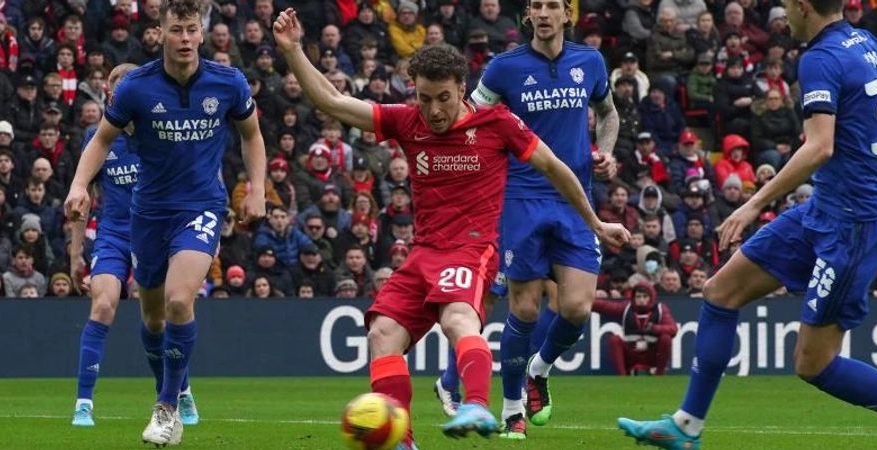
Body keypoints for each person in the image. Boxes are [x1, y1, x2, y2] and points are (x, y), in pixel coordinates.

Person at [273, 9, 629, 448]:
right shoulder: (407, 121)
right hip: (423, 252)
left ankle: (476, 403)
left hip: (472, 249)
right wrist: (292, 51)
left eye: (442, 97)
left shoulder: (497, 124)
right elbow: (332, 102)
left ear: (463, 89)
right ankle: (402, 440)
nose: (434, 110)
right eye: (424, 98)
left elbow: (554, 167)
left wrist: (594, 221)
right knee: (381, 334)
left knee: (458, 319)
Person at [619, 1, 877, 447]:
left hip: (854, 225)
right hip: (824, 209)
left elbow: (820, 146)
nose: (784, 12)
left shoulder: (821, 57)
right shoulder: (864, 41)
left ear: (804, 7)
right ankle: (686, 427)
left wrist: (754, 205)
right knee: (718, 293)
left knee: (813, 365)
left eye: (788, 4)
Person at [64, 1, 266, 445]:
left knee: (179, 300)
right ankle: (173, 388)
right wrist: (80, 184)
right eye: (177, 30)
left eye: (193, 29)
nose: (186, 38)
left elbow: (251, 134)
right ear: (161, 31)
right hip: (148, 213)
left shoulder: (228, 81)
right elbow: (101, 140)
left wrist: (255, 188)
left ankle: (167, 407)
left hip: (200, 207)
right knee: (153, 318)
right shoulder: (137, 87)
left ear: (202, 31)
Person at [463, 0, 620, 439]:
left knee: (575, 307)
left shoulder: (589, 61)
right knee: (525, 308)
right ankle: (512, 409)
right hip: (521, 197)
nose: (545, 12)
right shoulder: (503, 68)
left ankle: (539, 368)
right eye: (537, 5)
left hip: (575, 198)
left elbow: (608, 113)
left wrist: (605, 151)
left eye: (553, 5)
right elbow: (469, 120)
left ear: (568, 15)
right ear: (528, 16)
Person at [69, 63, 200, 428]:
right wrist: (76, 252)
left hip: (153, 233)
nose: (119, 91)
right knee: (103, 305)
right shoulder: (98, 137)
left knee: (156, 318)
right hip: (112, 232)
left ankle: (178, 392)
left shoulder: (158, 132)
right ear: (110, 93)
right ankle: (83, 403)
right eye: (114, 85)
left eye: (125, 84)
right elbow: (84, 198)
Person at [593, 282, 678, 375]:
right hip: (632, 352)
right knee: (615, 340)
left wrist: (655, 328)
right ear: (634, 297)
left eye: (645, 296)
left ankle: (659, 374)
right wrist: (586, 302)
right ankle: (622, 377)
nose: (641, 300)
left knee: (665, 338)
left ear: (651, 297)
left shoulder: (660, 309)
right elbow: (606, 306)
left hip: (651, 353)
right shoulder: (627, 307)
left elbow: (673, 329)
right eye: (638, 297)